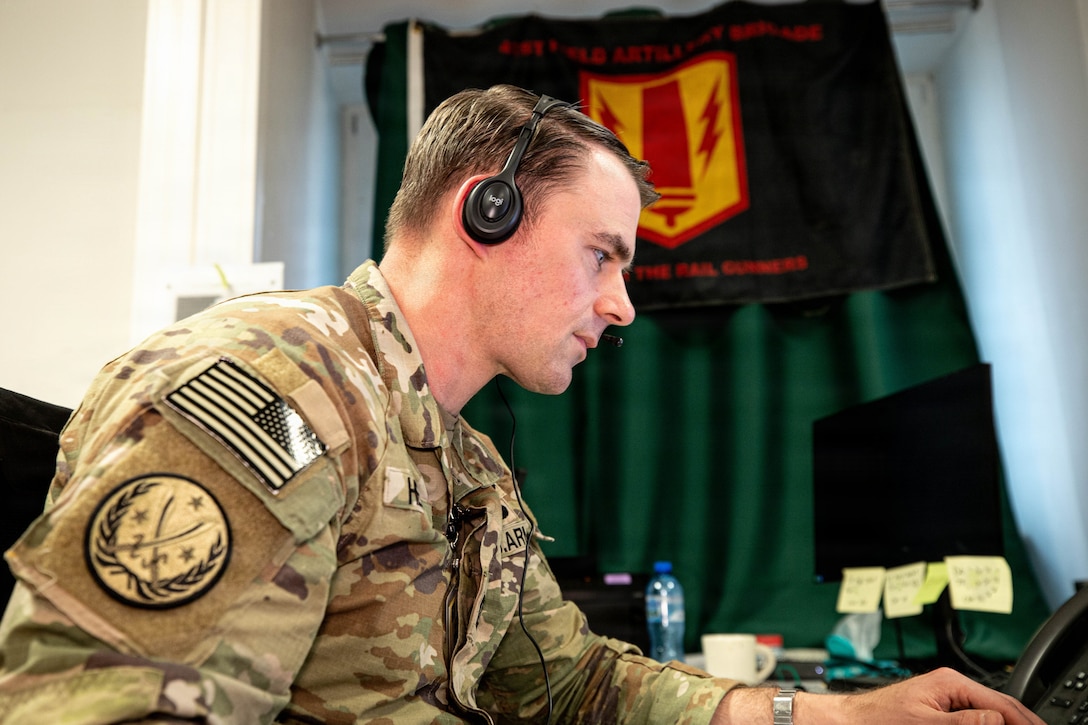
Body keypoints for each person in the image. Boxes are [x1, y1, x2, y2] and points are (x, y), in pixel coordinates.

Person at [0, 84, 1042, 725]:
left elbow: (569, 683)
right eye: (601, 254)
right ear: (485, 211)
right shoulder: (278, 383)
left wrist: (830, 713)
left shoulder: (466, 467)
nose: (620, 303)